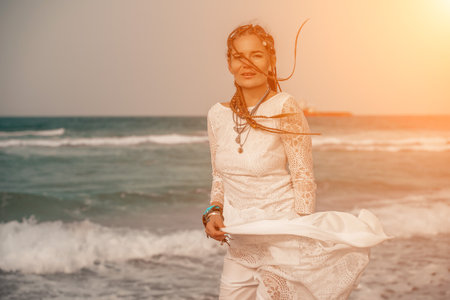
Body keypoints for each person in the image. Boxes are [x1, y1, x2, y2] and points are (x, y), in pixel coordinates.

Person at [203, 21, 389, 300]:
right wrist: (213, 211)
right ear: (229, 63)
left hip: (283, 240)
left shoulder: (284, 107)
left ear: (271, 60)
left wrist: (302, 235)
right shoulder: (216, 115)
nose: (247, 63)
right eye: (238, 56)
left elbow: (303, 177)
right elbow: (219, 174)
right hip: (239, 241)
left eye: (256, 54)